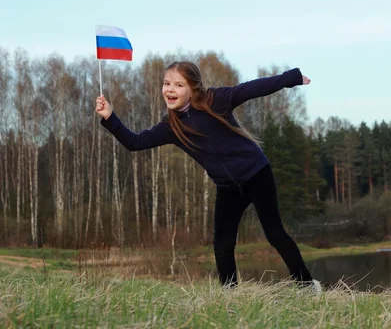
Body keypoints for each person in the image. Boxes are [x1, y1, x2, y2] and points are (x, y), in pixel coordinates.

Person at [95, 61, 321, 293]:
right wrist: (110, 117)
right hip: (228, 187)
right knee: (223, 243)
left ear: (193, 88)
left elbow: (253, 88)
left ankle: (306, 286)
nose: (170, 90)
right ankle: (229, 294)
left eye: (178, 85)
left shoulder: (216, 100)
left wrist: (290, 78)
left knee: (275, 234)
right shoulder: (171, 127)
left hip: (256, 174)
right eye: (166, 84)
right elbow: (135, 142)